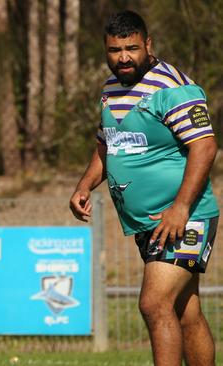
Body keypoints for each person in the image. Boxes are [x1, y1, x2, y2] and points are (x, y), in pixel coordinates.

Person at [69, 11, 219, 366]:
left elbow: (205, 146)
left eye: (132, 48)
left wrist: (180, 208)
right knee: (185, 311)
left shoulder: (173, 87)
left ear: (148, 44)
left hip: (185, 216)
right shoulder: (110, 88)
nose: (123, 57)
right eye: (115, 50)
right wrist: (85, 186)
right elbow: (108, 144)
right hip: (148, 223)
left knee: (154, 304)